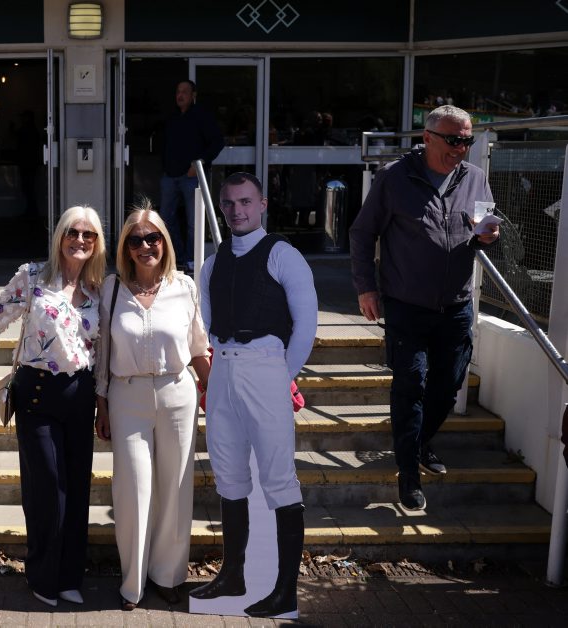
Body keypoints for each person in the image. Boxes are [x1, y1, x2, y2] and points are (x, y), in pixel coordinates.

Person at [349, 104, 500, 511]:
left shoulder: (475, 177)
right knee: (410, 384)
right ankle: (409, 475)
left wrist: (488, 236)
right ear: (428, 138)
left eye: (466, 140)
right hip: (406, 303)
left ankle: (418, 444)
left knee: (448, 387)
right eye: (453, 140)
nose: (460, 148)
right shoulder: (395, 177)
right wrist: (366, 289)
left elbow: (484, 227)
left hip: (456, 304)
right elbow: (362, 234)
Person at [191, 172, 317, 619]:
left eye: (245, 201)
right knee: (228, 475)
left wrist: (282, 375)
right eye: (228, 203)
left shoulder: (283, 254)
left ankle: (284, 591)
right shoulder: (213, 262)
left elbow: (306, 324)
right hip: (223, 368)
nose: (236, 210)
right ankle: (233, 575)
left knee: (279, 480)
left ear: (262, 204)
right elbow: (207, 322)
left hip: (266, 365)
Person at [94, 204, 210, 611]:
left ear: (165, 242)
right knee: (132, 491)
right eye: (136, 240)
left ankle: (168, 576)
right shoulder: (111, 289)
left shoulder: (185, 286)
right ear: (125, 248)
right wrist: (101, 404)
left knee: (175, 490)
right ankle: (133, 583)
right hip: (127, 396)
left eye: (153, 237)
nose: (145, 246)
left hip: (178, 393)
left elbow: (198, 347)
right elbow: (103, 353)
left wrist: (215, 391)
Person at [0, 206, 105, 607]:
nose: (80, 240)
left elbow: (101, 351)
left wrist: (103, 400)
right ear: (60, 235)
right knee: (47, 490)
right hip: (37, 395)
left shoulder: (98, 289)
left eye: (89, 235)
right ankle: (42, 575)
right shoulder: (34, 276)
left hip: (80, 397)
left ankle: (69, 576)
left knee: (76, 490)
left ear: (97, 243)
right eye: (73, 232)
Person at [159, 79, 224, 271]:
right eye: (178, 92)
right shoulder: (172, 117)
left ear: (193, 95)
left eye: (184, 92)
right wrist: (165, 166)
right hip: (170, 176)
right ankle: (178, 256)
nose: (180, 95)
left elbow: (217, 142)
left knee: (194, 222)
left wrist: (200, 163)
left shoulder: (201, 116)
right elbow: (165, 144)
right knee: (165, 220)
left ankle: (192, 259)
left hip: (192, 176)